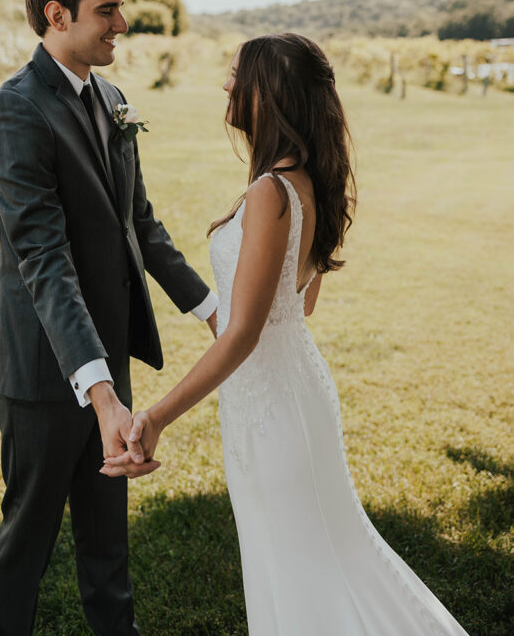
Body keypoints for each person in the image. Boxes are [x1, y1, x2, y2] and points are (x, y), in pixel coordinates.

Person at [103, 32, 470, 636]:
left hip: (274, 410)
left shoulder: (271, 192)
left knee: (305, 568)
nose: (225, 84)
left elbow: (245, 331)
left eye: (235, 75)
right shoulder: (307, 184)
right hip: (286, 394)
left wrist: (156, 416)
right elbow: (296, 308)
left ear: (266, 94)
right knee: (306, 560)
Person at [0, 0, 217, 636]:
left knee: (109, 547)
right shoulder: (15, 113)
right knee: (27, 545)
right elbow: (43, 261)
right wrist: (100, 392)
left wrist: (215, 314)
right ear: (57, 15)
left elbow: (138, 224)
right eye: (105, 10)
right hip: (43, 373)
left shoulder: (112, 100)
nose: (121, 24)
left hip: (107, 360)